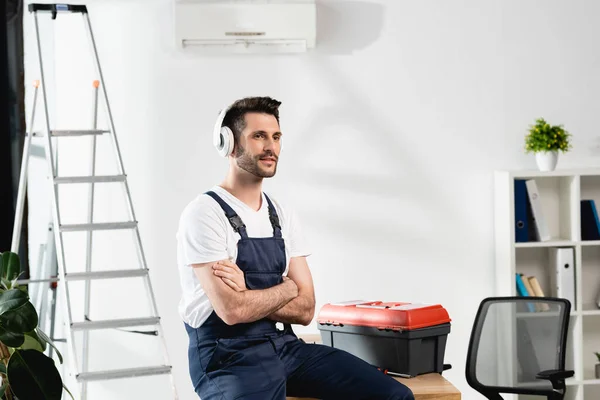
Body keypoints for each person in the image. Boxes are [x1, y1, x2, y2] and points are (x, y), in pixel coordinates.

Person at [176, 96, 414, 400]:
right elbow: (232, 311)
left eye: (276, 137)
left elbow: (305, 310)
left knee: (395, 396)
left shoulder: (281, 214)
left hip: (284, 347)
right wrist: (286, 289)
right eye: (259, 136)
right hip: (227, 358)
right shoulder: (204, 214)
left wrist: (247, 288)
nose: (271, 147)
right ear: (229, 144)